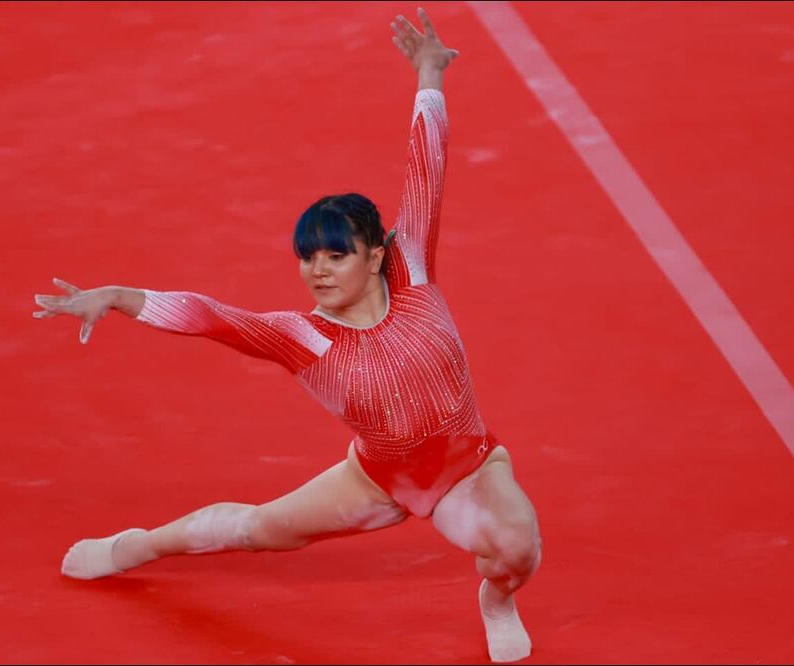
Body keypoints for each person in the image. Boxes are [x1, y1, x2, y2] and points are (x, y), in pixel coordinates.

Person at [33, 7, 541, 663]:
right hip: (375, 477)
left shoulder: (412, 266)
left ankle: (495, 601)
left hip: (466, 468)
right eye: (308, 256)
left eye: (335, 254)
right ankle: (139, 545)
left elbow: (426, 167)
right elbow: (209, 316)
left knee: (516, 543)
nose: (317, 270)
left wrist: (427, 74)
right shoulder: (300, 338)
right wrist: (120, 298)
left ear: (373, 252)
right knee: (254, 529)